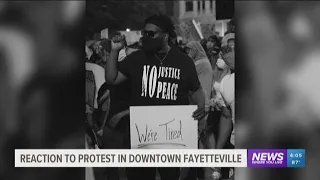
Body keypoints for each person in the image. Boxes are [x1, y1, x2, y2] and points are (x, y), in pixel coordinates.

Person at [104, 13, 205, 180]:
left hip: (171, 135)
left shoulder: (183, 61)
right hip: (141, 135)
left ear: (165, 36)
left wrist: (201, 105)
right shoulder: (136, 58)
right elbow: (112, 79)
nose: (146, 37)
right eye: (145, 33)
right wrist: (114, 51)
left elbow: (196, 89)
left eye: (151, 33)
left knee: (170, 176)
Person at [184, 41, 214, 180]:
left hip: (202, 103)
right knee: (202, 137)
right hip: (203, 102)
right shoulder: (203, 62)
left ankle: (201, 169)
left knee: (200, 136)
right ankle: (202, 168)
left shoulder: (200, 63)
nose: (188, 52)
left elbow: (185, 74)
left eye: (190, 50)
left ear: (195, 50)